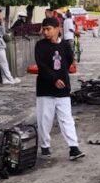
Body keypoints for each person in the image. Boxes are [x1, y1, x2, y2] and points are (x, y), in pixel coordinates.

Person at [35, 17, 84, 161]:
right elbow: (41, 65)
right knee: (45, 119)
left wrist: (61, 77)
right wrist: (54, 79)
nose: (45, 32)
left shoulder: (65, 46)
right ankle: (45, 147)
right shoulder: (40, 46)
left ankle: (73, 148)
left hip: (63, 88)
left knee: (66, 119)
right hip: (45, 88)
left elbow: (68, 62)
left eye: (48, 29)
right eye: (43, 29)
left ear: (58, 29)